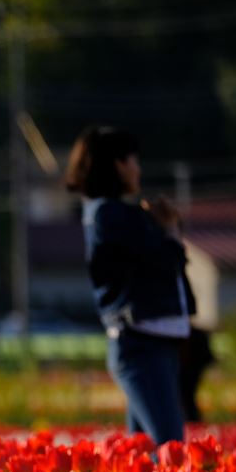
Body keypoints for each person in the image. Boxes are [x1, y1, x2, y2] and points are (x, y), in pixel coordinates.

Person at [64, 126, 192, 444]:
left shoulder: (109, 214)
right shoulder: (111, 216)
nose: (139, 168)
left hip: (146, 341)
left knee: (143, 457)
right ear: (119, 165)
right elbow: (167, 260)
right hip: (140, 342)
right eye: (134, 160)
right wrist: (170, 230)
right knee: (168, 446)